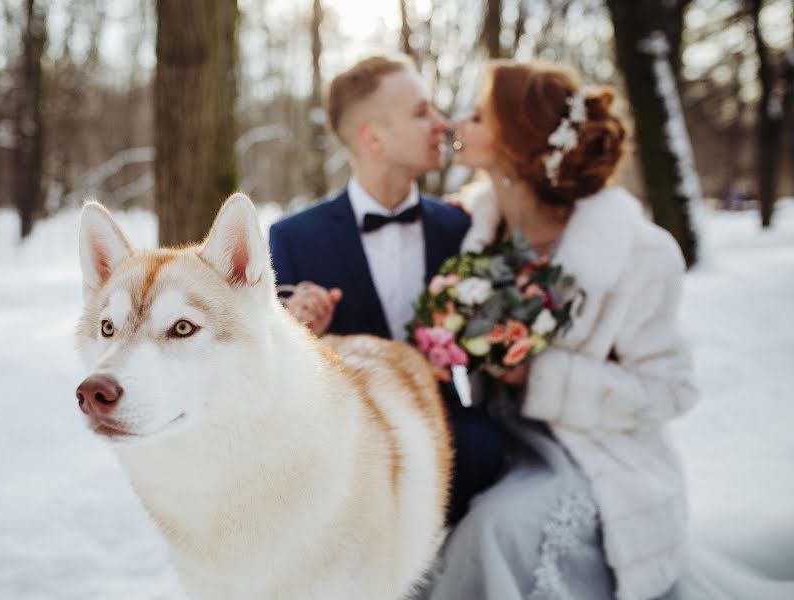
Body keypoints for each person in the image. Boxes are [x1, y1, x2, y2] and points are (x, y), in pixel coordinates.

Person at [420, 60, 698, 600]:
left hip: (598, 460)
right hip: (498, 444)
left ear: (519, 142)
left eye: (479, 116)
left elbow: (672, 389)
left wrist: (539, 375)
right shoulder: (473, 231)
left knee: (495, 530)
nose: (460, 123)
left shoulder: (639, 254)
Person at [268, 55, 508, 525]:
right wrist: (300, 329)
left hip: (449, 434)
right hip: (342, 439)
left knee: (488, 451)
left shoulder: (462, 229)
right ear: (372, 137)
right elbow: (273, 371)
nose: (442, 123)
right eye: (421, 113)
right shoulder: (294, 237)